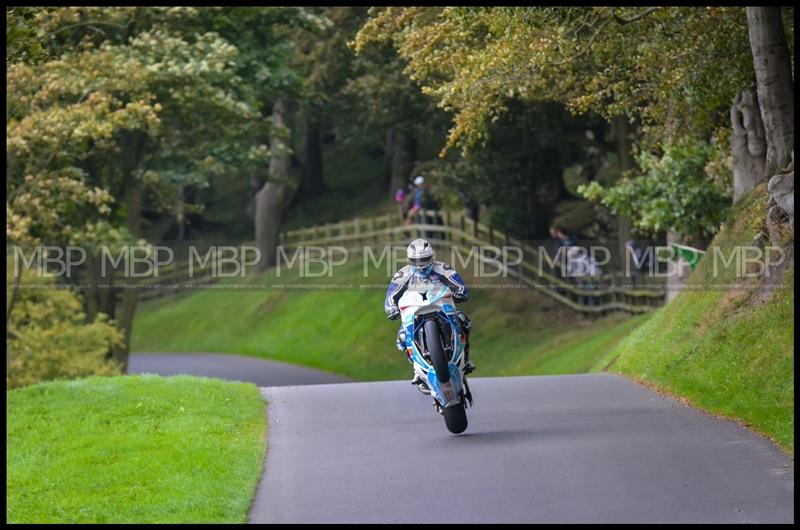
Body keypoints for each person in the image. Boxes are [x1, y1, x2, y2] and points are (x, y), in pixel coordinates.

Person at [384, 238, 475, 394]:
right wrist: (391, 308)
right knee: (401, 337)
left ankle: (466, 359)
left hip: (441, 307)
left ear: (432, 256)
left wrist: (460, 292)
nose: (421, 264)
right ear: (409, 260)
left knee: (464, 321)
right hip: (415, 311)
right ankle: (417, 369)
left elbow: (459, 284)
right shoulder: (402, 274)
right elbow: (391, 295)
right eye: (416, 260)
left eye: (424, 259)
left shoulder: (443, 268)